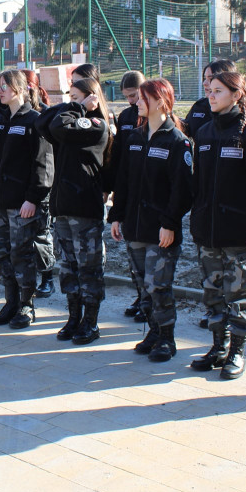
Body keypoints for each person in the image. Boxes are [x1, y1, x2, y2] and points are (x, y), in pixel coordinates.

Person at [186, 59, 246, 330]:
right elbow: (198, 182)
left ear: (236, 95)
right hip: (208, 229)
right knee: (212, 293)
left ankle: (236, 353)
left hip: (238, 230)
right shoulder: (204, 133)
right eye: (209, 91)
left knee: (238, 296)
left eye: (218, 91)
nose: (211, 95)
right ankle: (218, 347)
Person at [109, 78, 193, 362]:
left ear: (160, 101)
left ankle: (167, 339)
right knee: (142, 285)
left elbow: (183, 190)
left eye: (143, 98)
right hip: (134, 225)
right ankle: (153, 332)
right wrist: (117, 216)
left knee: (159, 286)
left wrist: (169, 223)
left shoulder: (177, 142)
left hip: (160, 231)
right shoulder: (135, 138)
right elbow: (124, 181)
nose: (137, 103)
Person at [0, 70, 54, 329]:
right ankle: (11, 301)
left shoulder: (34, 120)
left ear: (19, 88)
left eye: (3, 86)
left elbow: (44, 165)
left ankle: (26, 305)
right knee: (3, 254)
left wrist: (33, 198)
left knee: (22, 254)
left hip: (21, 202)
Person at [35, 77, 111, 345]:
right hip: (64, 205)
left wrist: (80, 109)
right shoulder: (69, 121)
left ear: (92, 98)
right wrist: (70, 105)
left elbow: (58, 125)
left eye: (77, 96)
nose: (71, 101)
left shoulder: (95, 124)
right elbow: (42, 123)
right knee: (68, 267)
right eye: (69, 96)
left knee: (88, 268)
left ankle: (90, 322)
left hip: (84, 206)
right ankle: (73, 317)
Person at [107, 70, 148, 323]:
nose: (132, 101)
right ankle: (140, 294)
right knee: (133, 250)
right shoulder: (125, 116)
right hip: (128, 188)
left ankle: (149, 299)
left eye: (134, 95)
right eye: (127, 97)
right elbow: (119, 153)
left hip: (148, 189)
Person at [21, 69, 56, 299]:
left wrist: (36, 194)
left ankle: (47, 277)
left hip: (39, 187)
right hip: (18, 186)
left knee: (41, 234)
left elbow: (45, 161)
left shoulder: (41, 116)